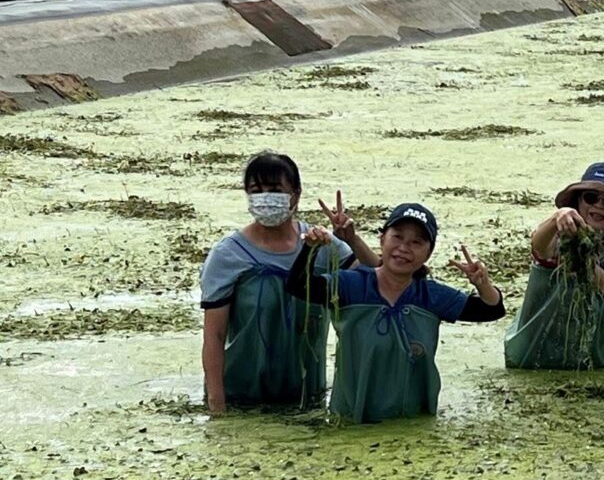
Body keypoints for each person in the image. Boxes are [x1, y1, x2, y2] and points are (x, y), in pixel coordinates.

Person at [286, 203, 505, 423]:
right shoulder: (351, 285)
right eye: (397, 237)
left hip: (414, 423)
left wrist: (482, 284)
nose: (404, 248)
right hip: (351, 419)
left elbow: (491, 310)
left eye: (416, 242)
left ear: (428, 253)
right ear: (382, 240)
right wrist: (310, 248)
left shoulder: (430, 295)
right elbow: (297, 286)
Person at [200, 151, 378, 414]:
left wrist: (352, 239)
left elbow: (379, 279)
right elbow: (213, 336)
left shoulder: (321, 245)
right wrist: (217, 406)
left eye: (274, 189)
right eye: (256, 190)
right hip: (242, 397)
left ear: (295, 194)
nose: (265, 197)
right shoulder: (227, 255)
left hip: (307, 398)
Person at [504, 162, 604, 370]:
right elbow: (539, 246)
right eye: (590, 197)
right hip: (533, 357)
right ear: (578, 201)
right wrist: (556, 218)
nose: (598, 205)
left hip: (594, 363)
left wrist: (596, 275)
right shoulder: (559, 237)